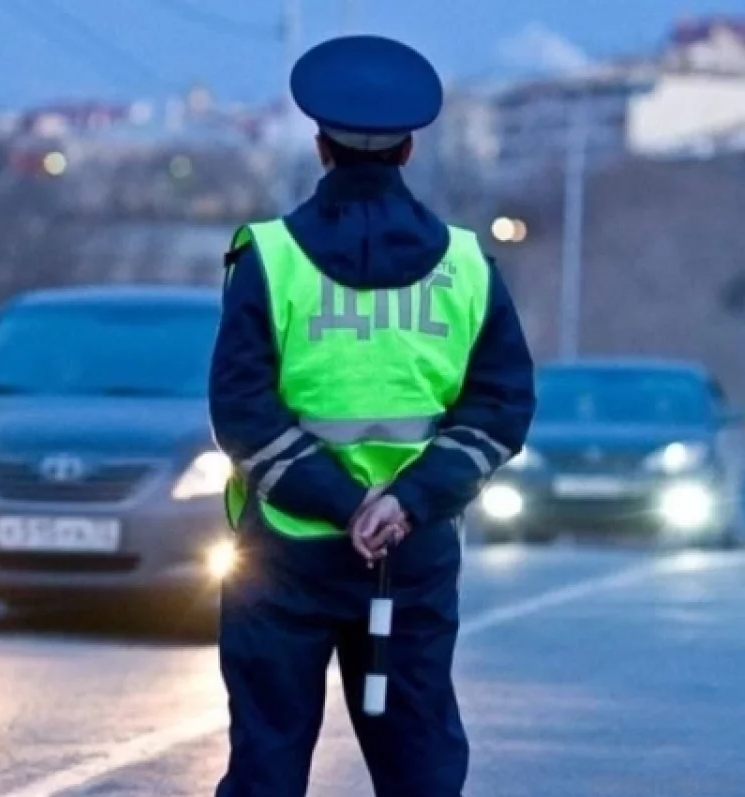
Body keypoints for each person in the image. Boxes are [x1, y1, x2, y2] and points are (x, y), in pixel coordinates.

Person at [209, 35, 537, 797]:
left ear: (319, 145)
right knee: (418, 765)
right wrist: (403, 502)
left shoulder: (268, 256)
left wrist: (339, 501)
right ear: (409, 149)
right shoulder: (467, 264)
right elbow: (500, 407)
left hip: (282, 561)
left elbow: (242, 407)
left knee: (267, 761)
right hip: (411, 559)